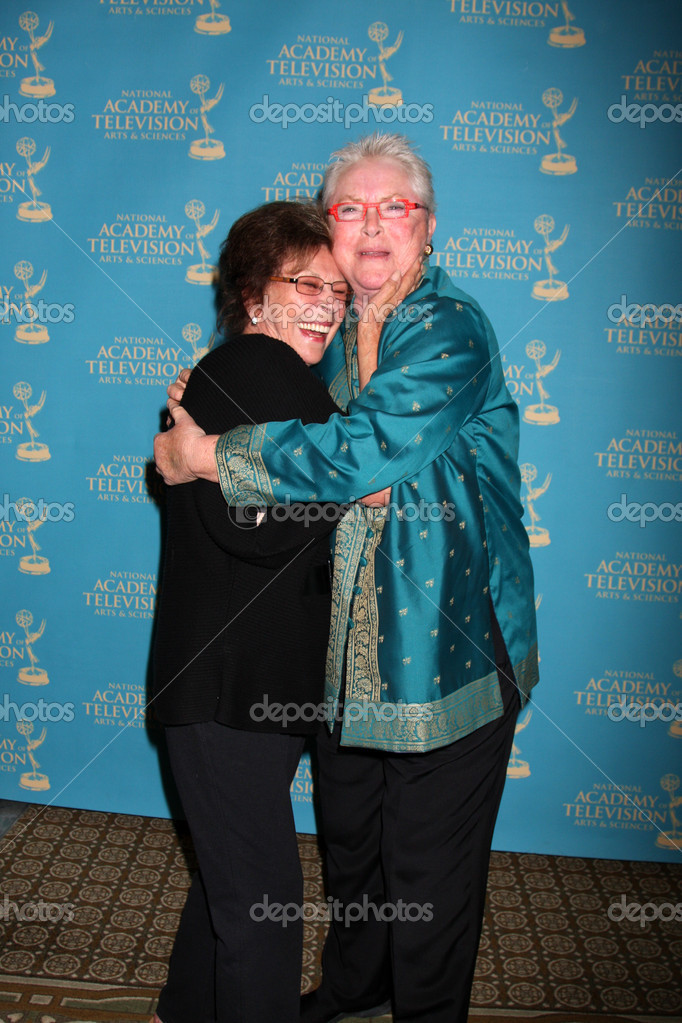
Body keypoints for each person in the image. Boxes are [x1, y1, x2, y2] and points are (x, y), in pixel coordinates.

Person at [154, 133, 539, 1023]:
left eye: (392, 207)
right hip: (345, 668)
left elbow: (360, 454)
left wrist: (210, 452)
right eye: (349, 210)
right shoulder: (330, 340)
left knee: (429, 877)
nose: (370, 227)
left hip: (450, 655)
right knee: (354, 850)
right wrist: (210, 388)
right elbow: (295, 414)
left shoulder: (447, 327)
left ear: (428, 227)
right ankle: (354, 989)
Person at [150, 199, 388, 1023]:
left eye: (337, 287)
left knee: (234, 877)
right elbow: (253, 530)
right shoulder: (257, 369)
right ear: (255, 297)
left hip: (248, 695)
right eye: (304, 283)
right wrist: (358, 484)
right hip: (226, 695)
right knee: (262, 902)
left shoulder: (266, 378)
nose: (328, 301)